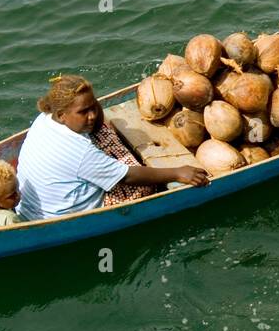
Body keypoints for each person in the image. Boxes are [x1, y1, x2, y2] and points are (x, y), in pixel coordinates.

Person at [15, 74, 209, 221]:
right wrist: (177, 173)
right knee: (143, 182)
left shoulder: (44, 119)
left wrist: (89, 102)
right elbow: (127, 176)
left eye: (93, 106)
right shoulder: (80, 152)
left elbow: (95, 120)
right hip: (66, 214)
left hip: (31, 207)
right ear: (61, 114)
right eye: (83, 111)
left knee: (99, 128)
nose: (91, 115)